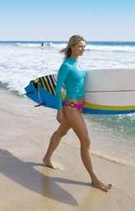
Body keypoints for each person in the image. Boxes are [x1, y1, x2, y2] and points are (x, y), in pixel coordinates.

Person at [42, 35, 112, 191]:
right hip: (71, 107)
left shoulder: (79, 65)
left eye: (84, 47)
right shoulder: (66, 66)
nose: (83, 49)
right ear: (72, 47)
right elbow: (58, 88)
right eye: (80, 46)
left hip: (79, 107)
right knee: (85, 141)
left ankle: (47, 158)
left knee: (60, 133)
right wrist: (59, 111)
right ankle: (94, 179)